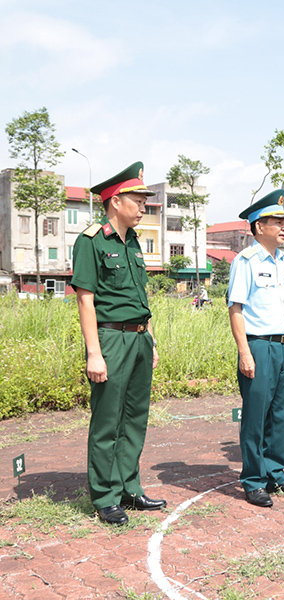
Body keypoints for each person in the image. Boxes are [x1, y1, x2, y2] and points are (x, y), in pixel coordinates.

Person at [70, 162, 165, 526]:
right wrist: (94, 352)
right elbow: (85, 300)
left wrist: (152, 340)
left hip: (139, 338)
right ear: (115, 200)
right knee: (108, 419)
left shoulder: (135, 242)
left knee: (135, 418)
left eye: (144, 200)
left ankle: (130, 487)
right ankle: (106, 495)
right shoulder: (92, 241)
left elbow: (140, 296)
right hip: (110, 339)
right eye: (138, 200)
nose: (143, 206)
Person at [228, 190, 284, 508]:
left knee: (281, 415)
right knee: (255, 416)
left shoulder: (283, 262)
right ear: (259, 226)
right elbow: (236, 309)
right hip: (259, 347)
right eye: (277, 221)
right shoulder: (245, 262)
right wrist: (244, 351)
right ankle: (253, 480)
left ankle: (276, 473)